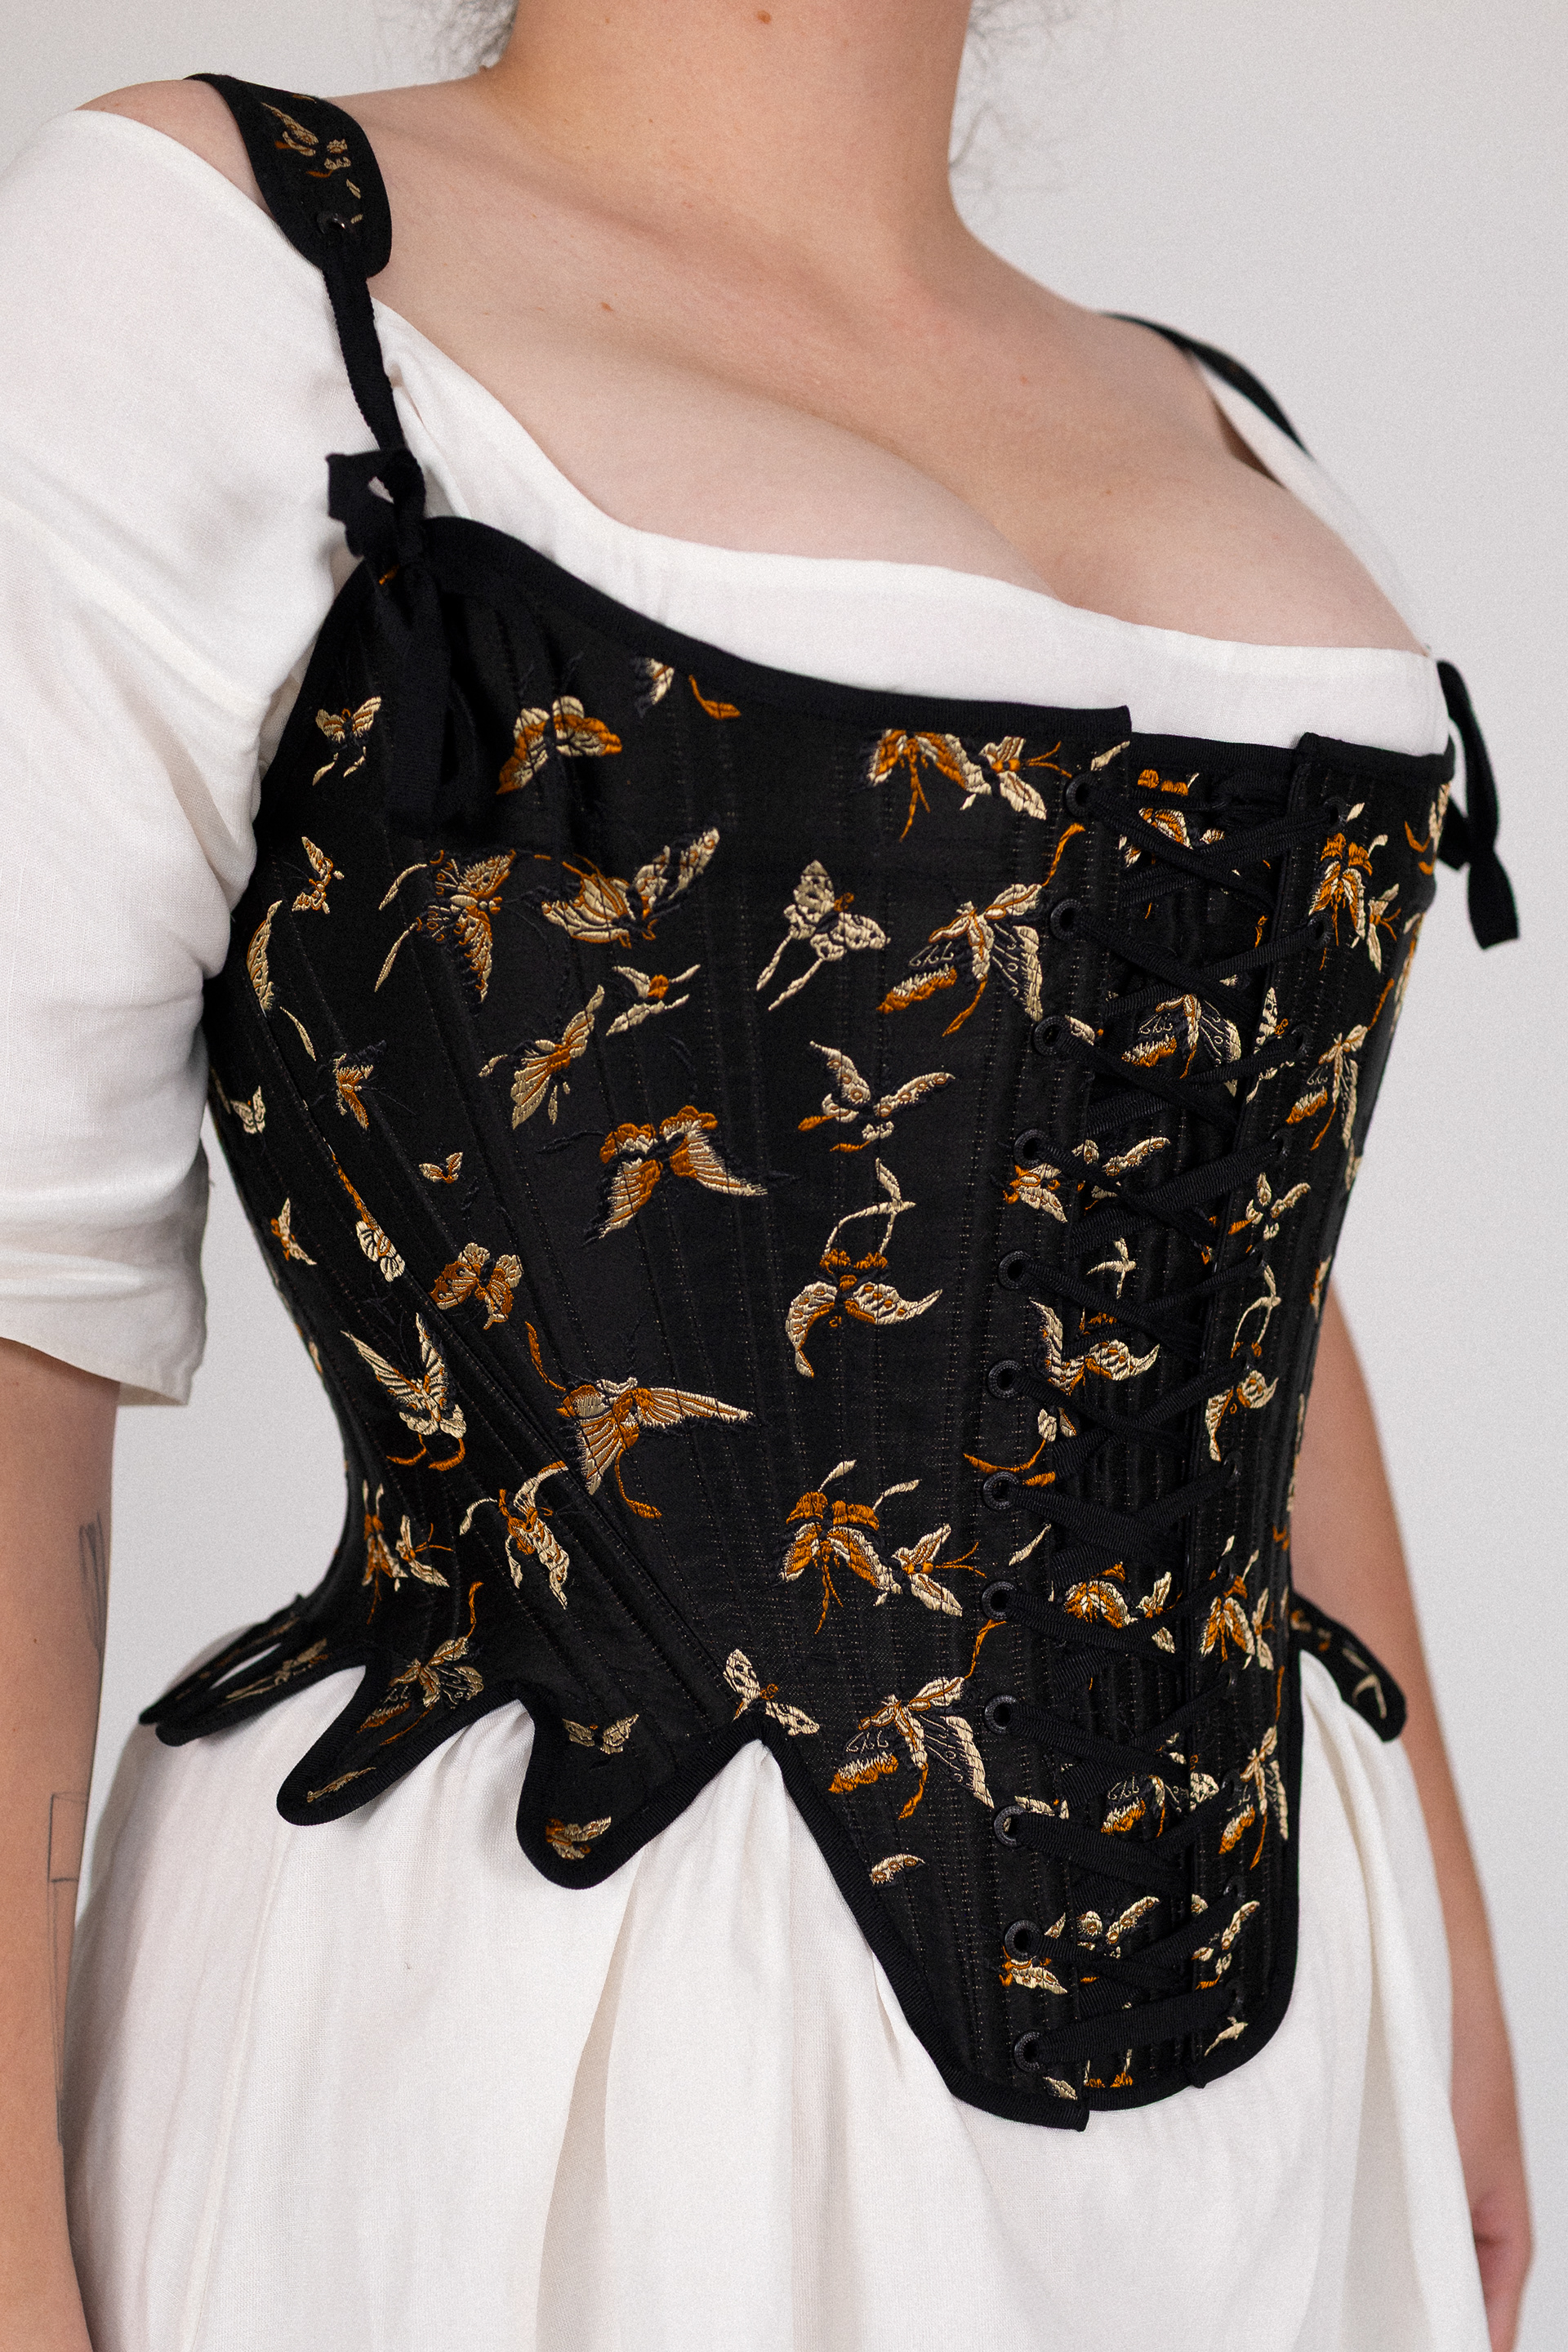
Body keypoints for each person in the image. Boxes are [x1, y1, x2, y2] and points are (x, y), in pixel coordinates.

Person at [0, 6, 1531, 2347]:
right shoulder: (221, 268)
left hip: (1282, 2075)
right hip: (561, 2048)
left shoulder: (1226, 424)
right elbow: (21, 1308)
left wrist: (1451, 1928)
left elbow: (1243, 1267)